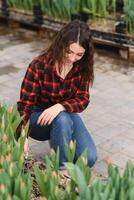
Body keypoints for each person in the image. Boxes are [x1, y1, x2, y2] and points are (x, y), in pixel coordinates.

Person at [16, 19, 97, 168]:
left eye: (79, 54)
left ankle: (59, 137)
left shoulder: (83, 66)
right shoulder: (39, 65)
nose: (72, 59)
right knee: (62, 120)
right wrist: (22, 135)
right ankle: (61, 169)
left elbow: (83, 99)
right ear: (61, 45)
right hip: (38, 117)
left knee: (89, 159)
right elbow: (25, 104)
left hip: (65, 113)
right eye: (69, 52)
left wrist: (60, 106)